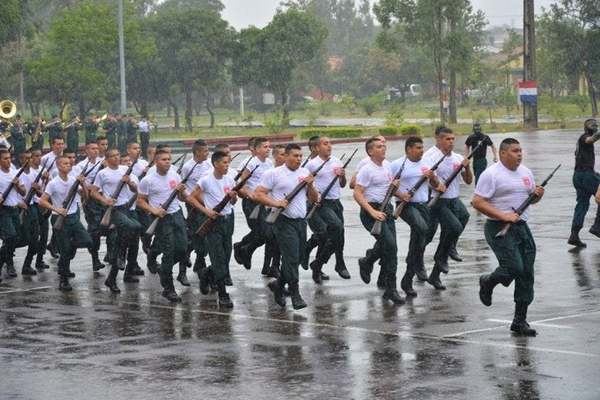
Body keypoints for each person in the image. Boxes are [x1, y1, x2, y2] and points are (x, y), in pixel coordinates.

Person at [473, 138, 544, 336]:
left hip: (522, 228)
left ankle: (519, 321)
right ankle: (488, 281)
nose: (519, 154)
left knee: (526, 273)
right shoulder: (491, 174)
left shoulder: (526, 172)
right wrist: (503, 215)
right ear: (503, 153)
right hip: (499, 227)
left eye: (520, 150)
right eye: (514, 151)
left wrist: (538, 194)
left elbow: (531, 199)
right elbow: (477, 202)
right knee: (513, 267)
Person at [254, 144, 318, 310]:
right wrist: (275, 203)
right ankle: (295, 293)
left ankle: (279, 285)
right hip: (283, 220)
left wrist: (310, 185)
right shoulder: (273, 174)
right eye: (295, 156)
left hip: (300, 221)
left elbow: (313, 199)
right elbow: (258, 193)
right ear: (286, 156)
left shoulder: (304, 173)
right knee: (290, 257)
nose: (298, 159)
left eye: (300, 156)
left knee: (295, 258)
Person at [188, 151, 245, 308]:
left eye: (228, 163)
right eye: (224, 163)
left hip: (227, 221)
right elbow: (191, 197)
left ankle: (206, 273)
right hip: (213, 222)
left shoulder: (230, 180)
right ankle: (222, 293)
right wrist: (206, 211)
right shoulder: (206, 180)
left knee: (226, 256)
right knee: (218, 257)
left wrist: (233, 197)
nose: (227, 166)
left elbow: (233, 203)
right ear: (215, 164)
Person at [353, 137, 404, 305]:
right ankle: (391, 289)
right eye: (379, 147)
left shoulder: (388, 166)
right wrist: (372, 211)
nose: (383, 148)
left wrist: (397, 190)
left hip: (386, 210)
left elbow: (386, 189)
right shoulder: (367, 169)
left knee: (391, 248)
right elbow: (357, 193)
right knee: (390, 246)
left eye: (384, 146)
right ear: (370, 151)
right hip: (371, 211)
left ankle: (369, 262)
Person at [391, 136, 442, 298]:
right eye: (418, 148)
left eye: (422, 148)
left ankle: (408, 278)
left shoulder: (426, 164)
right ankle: (413, 263)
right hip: (406, 206)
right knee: (422, 228)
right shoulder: (397, 164)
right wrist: (401, 194)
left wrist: (432, 177)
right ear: (409, 149)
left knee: (420, 241)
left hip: (423, 205)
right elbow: (389, 186)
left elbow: (435, 185)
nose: (421, 151)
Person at [424, 127, 472, 291]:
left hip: (453, 200)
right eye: (447, 139)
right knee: (431, 236)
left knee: (463, 218)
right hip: (436, 201)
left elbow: (468, 181)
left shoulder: (457, 157)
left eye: (453, 139)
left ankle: (435, 274)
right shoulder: (430, 156)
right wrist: (438, 184)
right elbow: (429, 179)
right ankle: (416, 265)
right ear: (438, 139)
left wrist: (466, 167)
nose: (451, 142)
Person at [137, 149, 188, 303]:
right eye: (164, 159)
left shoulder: (174, 174)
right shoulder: (148, 180)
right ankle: (168, 288)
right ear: (156, 161)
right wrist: (154, 210)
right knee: (169, 251)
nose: (167, 162)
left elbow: (182, 198)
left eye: (169, 159)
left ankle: (158, 261)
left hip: (177, 214)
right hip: (161, 219)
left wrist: (182, 192)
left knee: (183, 248)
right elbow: (140, 201)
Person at [38, 155, 93, 291]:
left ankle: (70, 248)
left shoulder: (74, 179)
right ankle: (63, 280)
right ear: (58, 166)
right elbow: (42, 201)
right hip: (59, 219)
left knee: (88, 241)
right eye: (65, 164)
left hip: (73, 217)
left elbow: (86, 197)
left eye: (69, 164)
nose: (68, 165)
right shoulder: (53, 183)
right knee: (64, 251)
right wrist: (56, 208)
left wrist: (83, 184)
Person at [90, 148, 142, 293]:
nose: (116, 158)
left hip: (127, 207)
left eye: (118, 155)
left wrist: (129, 183)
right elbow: (93, 191)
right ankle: (119, 256)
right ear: (106, 159)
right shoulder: (102, 173)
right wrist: (105, 200)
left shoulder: (126, 169)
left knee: (133, 240)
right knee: (133, 227)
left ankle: (116, 277)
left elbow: (135, 190)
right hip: (114, 210)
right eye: (112, 156)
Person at [305, 136, 350, 284]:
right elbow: (307, 186)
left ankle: (319, 264)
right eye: (325, 144)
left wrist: (342, 176)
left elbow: (343, 184)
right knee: (336, 227)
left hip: (336, 202)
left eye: (330, 143)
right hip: (321, 204)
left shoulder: (336, 161)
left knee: (338, 236)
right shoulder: (312, 165)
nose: (329, 146)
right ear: (317, 148)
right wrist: (315, 195)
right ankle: (337, 263)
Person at [233, 137, 273, 270]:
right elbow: (240, 184)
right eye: (265, 147)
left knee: (265, 233)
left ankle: (245, 249)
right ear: (256, 149)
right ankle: (244, 249)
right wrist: (249, 194)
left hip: (264, 202)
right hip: (252, 203)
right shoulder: (250, 163)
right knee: (260, 232)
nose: (268, 149)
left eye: (269, 146)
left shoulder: (269, 163)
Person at [180, 139, 212, 284]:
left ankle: (199, 260)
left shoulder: (209, 164)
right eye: (205, 151)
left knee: (202, 235)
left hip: (207, 204)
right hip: (193, 205)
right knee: (196, 234)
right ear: (197, 152)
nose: (207, 153)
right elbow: (183, 187)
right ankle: (184, 267)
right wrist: (190, 199)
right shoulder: (188, 167)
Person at [569, 119, 600, 248]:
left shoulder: (581, 141)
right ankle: (597, 227)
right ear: (587, 128)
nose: (595, 127)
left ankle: (574, 235)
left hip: (578, 176)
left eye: (596, 125)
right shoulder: (584, 138)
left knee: (582, 204)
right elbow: (591, 140)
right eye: (593, 126)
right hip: (585, 175)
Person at [21, 148, 50, 272]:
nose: (38, 158)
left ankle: (31, 263)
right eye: (35, 156)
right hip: (22, 208)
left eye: (39, 156)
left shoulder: (36, 173)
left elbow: (40, 194)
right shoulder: (18, 173)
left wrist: (44, 182)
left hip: (36, 207)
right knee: (23, 238)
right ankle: (7, 259)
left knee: (39, 236)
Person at [0, 149, 26, 279]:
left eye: (9, 158)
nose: (8, 160)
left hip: (15, 209)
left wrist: (17, 186)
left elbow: (23, 192)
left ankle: (4, 258)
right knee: (10, 237)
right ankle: (8, 263)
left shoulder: (14, 172)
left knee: (17, 238)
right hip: (3, 210)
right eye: (5, 158)